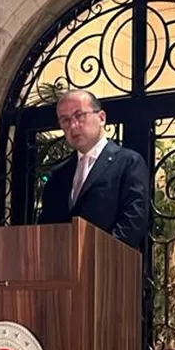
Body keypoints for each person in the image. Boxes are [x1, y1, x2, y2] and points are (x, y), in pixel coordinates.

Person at [37, 90, 149, 249]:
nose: (73, 125)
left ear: (101, 118)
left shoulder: (128, 163)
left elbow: (133, 221)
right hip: (62, 262)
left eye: (79, 116)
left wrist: (97, 253)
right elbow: (46, 226)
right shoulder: (59, 174)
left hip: (110, 260)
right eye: (65, 120)